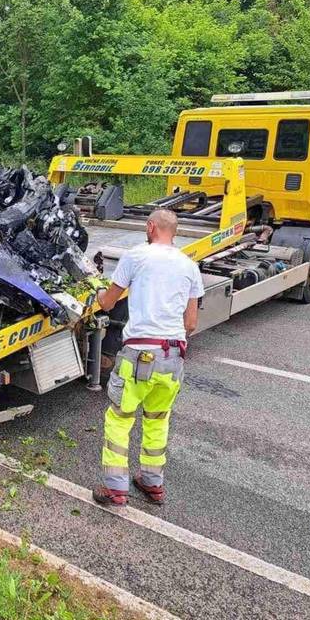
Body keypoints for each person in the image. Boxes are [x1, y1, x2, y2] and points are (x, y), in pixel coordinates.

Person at [91, 209, 204, 507]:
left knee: (120, 419)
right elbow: (190, 323)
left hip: (139, 355)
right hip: (173, 358)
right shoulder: (189, 266)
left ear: (151, 227)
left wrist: (98, 294)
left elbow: (109, 301)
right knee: (157, 420)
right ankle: (153, 484)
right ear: (174, 232)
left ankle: (115, 488)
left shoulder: (137, 256)